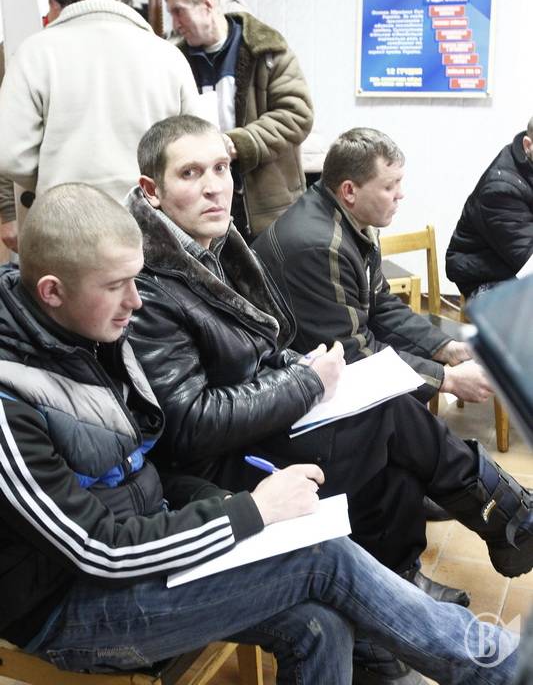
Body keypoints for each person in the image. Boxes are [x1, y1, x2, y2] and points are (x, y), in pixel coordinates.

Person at [0, 183, 519, 685]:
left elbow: (149, 470)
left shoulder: (94, 335)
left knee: (320, 620)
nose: (135, 302)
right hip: (67, 607)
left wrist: (230, 504)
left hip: (143, 550)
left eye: (135, 280)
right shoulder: (12, 398)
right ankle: (501, 668)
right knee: (321, 556)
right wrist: (250, 512)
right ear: (53, 292)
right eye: (117, 286)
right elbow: (98, 550)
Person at [127, 115, 533, 680]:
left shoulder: (214, 247)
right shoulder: (148, 281)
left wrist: (306, 370)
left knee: (390, 426)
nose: (215, 186)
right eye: (191, 173)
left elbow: (272, 348)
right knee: (389, 418)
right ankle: (506, 519)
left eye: (220, 167)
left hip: (256, 424)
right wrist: (305, 381)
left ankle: (416, 579)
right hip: (219, 467)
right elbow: (191, 423)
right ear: (152, 190)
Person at [253, 126, 493, 406]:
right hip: (285, 382)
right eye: (389, 186)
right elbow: (352, 354)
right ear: (349, 191)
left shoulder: (353, 222)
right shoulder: (323, 247)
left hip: (320, 365)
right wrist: (446, 379)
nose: (400, 194)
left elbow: (381, 304)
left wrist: (446, 348)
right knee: (411, 414)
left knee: (417, 410)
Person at [0, 0, 199, 252]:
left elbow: (9, 154)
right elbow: (197, 150)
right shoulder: (168, 55)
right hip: (152, 229)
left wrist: (57, 171)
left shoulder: (35, 52)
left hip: (65, 230)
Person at [165, 0, 312, 240]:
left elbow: (296, 115)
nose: (175, 23)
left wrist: (237, 144)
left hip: (266, 210)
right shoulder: (172, 59)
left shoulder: (267, 50)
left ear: (207, 3)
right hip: (199, 210)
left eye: (178, 11)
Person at [446, 118, 533, 297]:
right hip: (487, 279)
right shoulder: (501, 189)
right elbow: (527, 261)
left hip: (514, 270)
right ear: (528, 145)